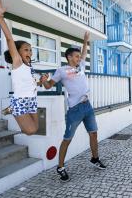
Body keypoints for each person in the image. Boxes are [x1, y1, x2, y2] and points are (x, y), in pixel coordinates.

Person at [42, 32, 106, 182]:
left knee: (93, 133)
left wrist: (85, 41)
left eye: (79, 57)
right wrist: (45, 80)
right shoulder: (62, 70)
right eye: (76, 57)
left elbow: (84, 53)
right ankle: (60, 167)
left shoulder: (81, 66)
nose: (79, 58)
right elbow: (48, 85)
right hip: (75, 110)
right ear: (69, 57)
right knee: (68, 139)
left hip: (87, 106)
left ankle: (95, 158)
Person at [0, 0, 48, 135]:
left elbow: (31, 83)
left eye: (30, 49)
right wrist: (0, 16)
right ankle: (13, 108)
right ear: (17, 52)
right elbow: (10, 39)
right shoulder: (17, 63)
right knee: (30, 130)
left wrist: (41, 81)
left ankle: (11, 109)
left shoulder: (30, 67)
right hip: (20, 100)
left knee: (36, 128)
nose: (29, 52)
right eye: (25, 49)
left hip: (32, 99)